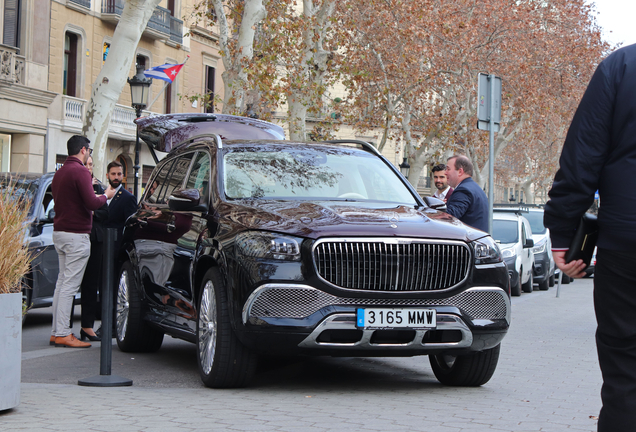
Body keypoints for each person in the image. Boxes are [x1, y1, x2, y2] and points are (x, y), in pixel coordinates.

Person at [543, 44, 636, 432]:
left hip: (627, 242)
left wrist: (564, 233)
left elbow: (583, 155)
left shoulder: (622, 66)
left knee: (625, 371)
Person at [50, 135, 115, 348]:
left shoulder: (59, 173)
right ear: (84, 150)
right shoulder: (79, 171)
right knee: (69, 285)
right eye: (89, 151)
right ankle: (62, 333)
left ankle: (56, 331)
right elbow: (91, 202)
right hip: (76, 235)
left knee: (62, 284)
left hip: (60, 232)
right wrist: (105, 195)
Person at [96, 160, 138, 338]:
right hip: (101, 249)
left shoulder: (128, 198)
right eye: (113, 174)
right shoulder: (100, 195)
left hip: (116, 251)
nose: (116, 177)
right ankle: (104, 324)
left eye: (119, 174)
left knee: (112, 288)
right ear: (107, 175)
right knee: (102, 287)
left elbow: (130, 226)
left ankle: (112, 326)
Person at [77, 155, 108, 341]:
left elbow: (105, 212)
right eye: (85, 164)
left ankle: (87, 326)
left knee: (91, 284)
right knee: (71, 284)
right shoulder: (77, 184)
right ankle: (62, 328)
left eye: (90, 165)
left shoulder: (97, 186)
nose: (88, 167)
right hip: (77, 236)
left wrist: (92, 208)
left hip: (95, 239)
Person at [444, 155, 488, 232]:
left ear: (460, 171)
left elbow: (450, 217)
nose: (445, 173)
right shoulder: (475, 188)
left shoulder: (463, 190)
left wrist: (436, 211)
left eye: (448, 169)